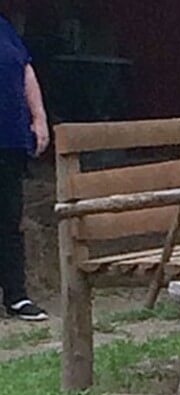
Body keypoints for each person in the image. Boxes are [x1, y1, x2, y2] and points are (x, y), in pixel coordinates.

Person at [0, 14, 48, 320]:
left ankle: (16, 296)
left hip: (9, 138)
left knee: (8, 219)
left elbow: (25, 69)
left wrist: (39, 117)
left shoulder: (3, 27)